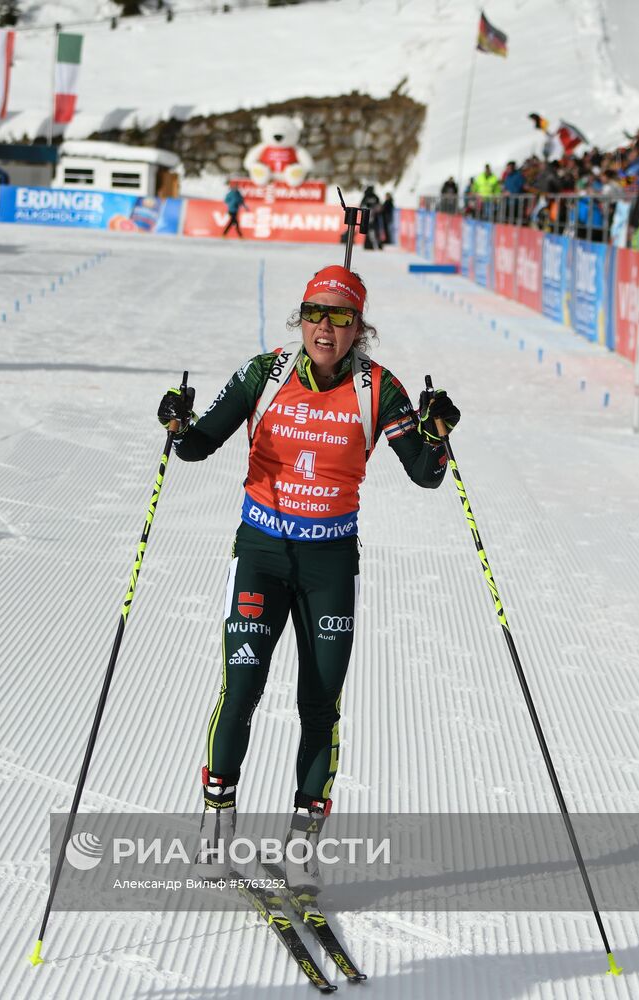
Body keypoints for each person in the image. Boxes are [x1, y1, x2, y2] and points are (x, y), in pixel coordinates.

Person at [157, 264, 460, 889]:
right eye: (314, 313)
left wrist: (440, 432)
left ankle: (303, 842)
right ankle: (218, 823)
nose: (325, 327)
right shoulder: (263, 376)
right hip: (262, 557)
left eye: (341, 316)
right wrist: (177, 421)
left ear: (359, 327)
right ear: (301, 319)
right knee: (240, 692)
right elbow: (194, 446)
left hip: (329, 566)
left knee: (319, 704)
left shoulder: (381, 390)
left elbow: (427, 474)